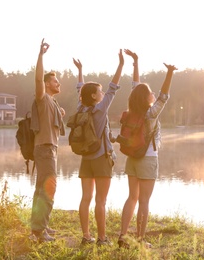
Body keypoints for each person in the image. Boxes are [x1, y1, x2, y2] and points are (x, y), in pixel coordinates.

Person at [118, 49, 178, 248]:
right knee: (143, 201)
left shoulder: (133, 110)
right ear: (146, 98)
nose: (153, 94)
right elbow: (164, 97)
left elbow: (136, 87)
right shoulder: (151, 114)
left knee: (131, 197)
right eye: (149, 92)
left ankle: (123, 236)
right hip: (148, 158)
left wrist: (135, 62)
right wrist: (169, 73)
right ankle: (140, 240)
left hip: (132, 157)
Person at [74, 49, 124, 246]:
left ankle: (86, 236)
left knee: (86, 198)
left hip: (86, 158)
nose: (103, 94)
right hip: (102, 158)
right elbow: (113, 87)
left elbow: (80, 88)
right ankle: (102, 239)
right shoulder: (101, 108)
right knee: (100, 201)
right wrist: (121, 65)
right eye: (100, 92)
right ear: (95, 96)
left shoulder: (81, 108)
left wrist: (80, 71)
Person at [30, 38, 65, 242]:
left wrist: (59, 113)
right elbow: (37, 80)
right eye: (55, 81)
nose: (58, 83)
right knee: (49, 188)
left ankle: (39, 227)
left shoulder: (52, 102)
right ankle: (39, 231)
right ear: (46, 85)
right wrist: (41, 55)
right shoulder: (42, 98)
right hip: (44, 149)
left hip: (48, 149)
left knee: (40, 190)